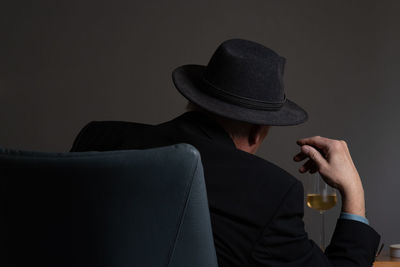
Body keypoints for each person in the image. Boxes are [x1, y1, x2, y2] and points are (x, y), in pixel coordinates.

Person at [71, 39, 380, 266]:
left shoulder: (97, 139)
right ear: (258, 131)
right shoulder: (268, 193)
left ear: (196, 101)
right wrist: (354, 193)